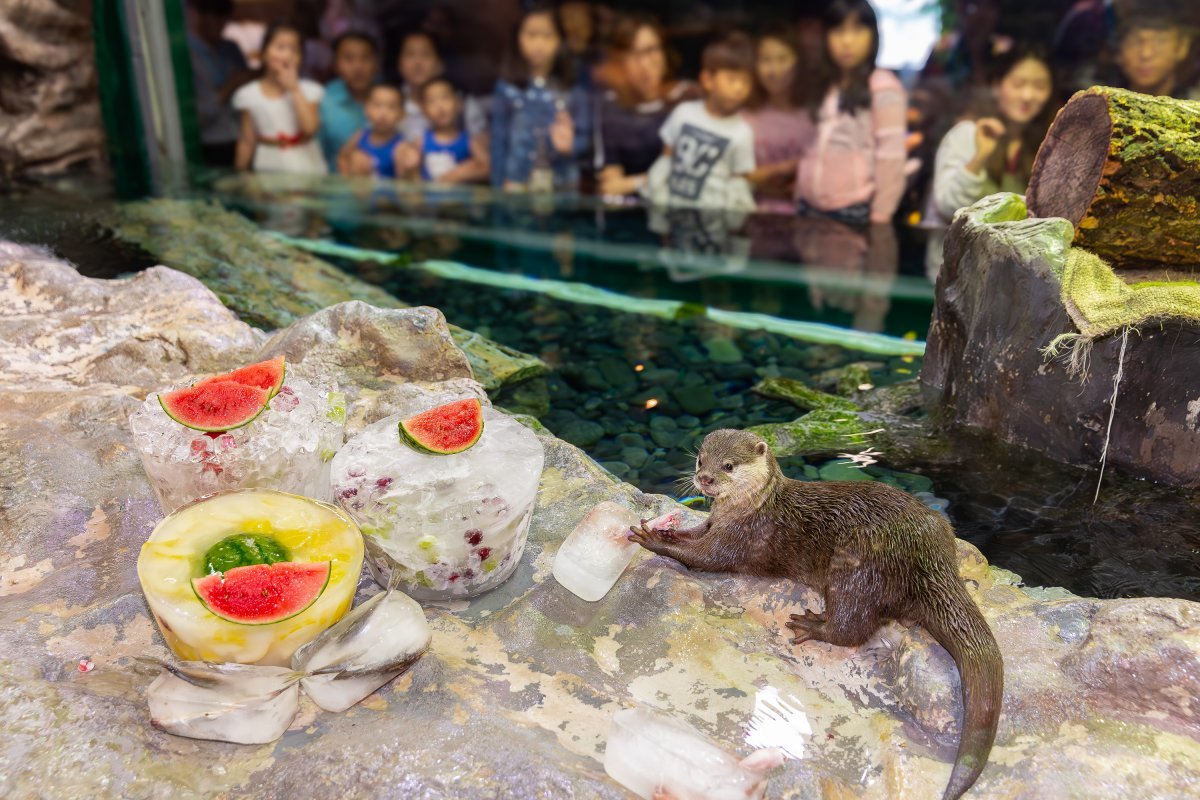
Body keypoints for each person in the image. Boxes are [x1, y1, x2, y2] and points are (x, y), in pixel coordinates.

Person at [925, 44, 1055, 276]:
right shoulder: (967, 134)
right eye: (1018, 84)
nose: (1028, 95)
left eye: (1040, 86)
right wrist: (981, 155)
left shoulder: (1044, 147)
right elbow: (947, 206)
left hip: (1008, 282)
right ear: (996, 85)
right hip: (954, 276)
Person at [794, 0, 907, 226]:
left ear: (873, 35)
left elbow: (891, 158)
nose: (847, 41)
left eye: (857, 30)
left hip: (852, 209)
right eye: (838, 31)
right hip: (807, 206)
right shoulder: (823, 84)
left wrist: (881, 217)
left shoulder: (883, 86)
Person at [645, 32, 757, 211]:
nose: (739, 88)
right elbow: (665, 159)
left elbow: (739, 181)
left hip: (713, 216)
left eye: (746, 81)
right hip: (674, 208)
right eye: (732, 79)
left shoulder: (742, 132)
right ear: (708, 79)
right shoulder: (684, 113)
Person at [490, 3, 591, 191]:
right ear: (517, 38)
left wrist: (571, 146)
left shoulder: (572, 87)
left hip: (561, 185)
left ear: (560, 40)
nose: (539, 44)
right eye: (531, 35)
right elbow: (499, 143)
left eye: (547, 35)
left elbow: (585, 138)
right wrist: (497, 186)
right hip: (516, 184)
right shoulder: (507, 88)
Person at [595, 14, 698, 197]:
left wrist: (632, 183)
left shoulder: (687, 98)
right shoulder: (612, 105)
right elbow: (610, 183)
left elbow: (692, 172)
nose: (645, 64)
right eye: (634, 55)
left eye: (651, 50)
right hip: (629, 216)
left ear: (665, 52)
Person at [233, 23, 327, 173]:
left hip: (307, 166)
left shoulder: (309, 90)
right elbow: (246, 141)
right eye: (280, 47)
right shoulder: (249, 95)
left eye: (294, 50)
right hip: (269, 166)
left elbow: (310, 129)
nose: (288, 55)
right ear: (263, 54)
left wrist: (295, 89)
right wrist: (240, 175)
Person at [744, 30, 815, 210]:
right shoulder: (745, 116)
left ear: (798, 63)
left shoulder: (815, 116)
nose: (773, 69)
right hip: (754, 217)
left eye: (782, 59)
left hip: (805, 221)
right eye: (765, 60)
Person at [185, 0, 253, 167]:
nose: (221, 22)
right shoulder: (188, 55)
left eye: (224, 16)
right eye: (215, 15)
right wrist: (227, 88)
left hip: (240, 138)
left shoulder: (232, 49)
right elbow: (195, 117)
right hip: (209, 144)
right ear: (199, 15)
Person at [395, 30, 489, 144]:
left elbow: (482, 151)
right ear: (399, 64)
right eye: (410, 54)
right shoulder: (390, 102)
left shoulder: (464, 106)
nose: (417, 62)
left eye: (426, 54)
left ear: (440, 65)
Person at [318, 32, 378, 171]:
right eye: (348, 59)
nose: (358, 66)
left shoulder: (390, 98)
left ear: (376, 63)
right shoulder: (324, 102)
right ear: (335, 64)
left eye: (365, 58)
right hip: (336, 189)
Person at [413, 77, 490, 184]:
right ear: (423, 110)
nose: (440, 107)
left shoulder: (469, 141)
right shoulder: (420, 142)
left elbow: (488, 168)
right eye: (431, 101)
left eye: (445, 98)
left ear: (458, 103)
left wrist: (460, 174)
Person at [1113, 9, 1198, 99]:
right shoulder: (1100, 105)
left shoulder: (1196, 107)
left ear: (1182, 47)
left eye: (1160, 41)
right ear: (1118, 52)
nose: (1146, 53)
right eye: (1135, 42)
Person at [337, 84, 412, 178]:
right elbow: (343, 156)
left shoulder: (401, 145)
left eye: (391, 107)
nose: (383, 113)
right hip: (362, 190)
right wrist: (347, 181)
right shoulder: (360, 136)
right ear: (366, 108)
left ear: (402, 114)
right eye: (377, 105)